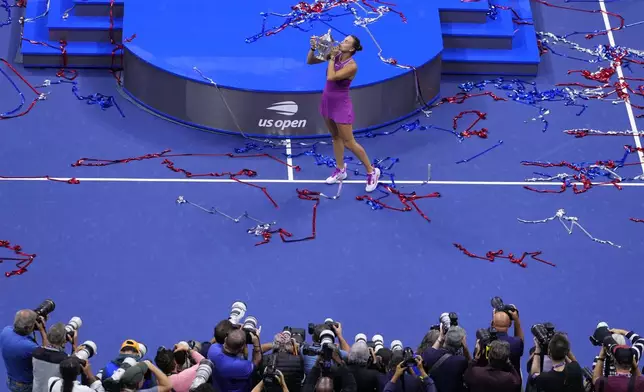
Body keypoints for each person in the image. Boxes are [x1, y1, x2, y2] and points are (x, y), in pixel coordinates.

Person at [307, 34, 381, 192]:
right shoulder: (335, 54)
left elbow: (331, 76)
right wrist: (314, 48)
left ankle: (371, 171)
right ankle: (340, 170)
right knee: (335, 137)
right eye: (343, 39)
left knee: (349, 142)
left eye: (346, 41)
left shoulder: (352, 66)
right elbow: (310, 61)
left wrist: (331, 57)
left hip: (341, 105)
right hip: (327, 102)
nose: (342, 42)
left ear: (352, 48)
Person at [0, 309, 49, 392]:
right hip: (26, 385)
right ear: (28, 327)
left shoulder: (5, 331)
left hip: (11, 380)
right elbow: (47, 353)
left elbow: (20, 326)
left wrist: (29, 320)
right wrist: (42, 330)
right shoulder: (29, 347)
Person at [32, 322, 77, 392]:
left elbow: (46, 349)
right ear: (64, 340)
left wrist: (42, 330)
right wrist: (74, 345)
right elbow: (73, 367)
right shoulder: (65, 359)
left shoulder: (36, 353)